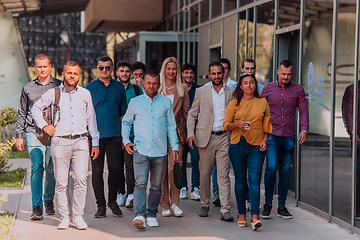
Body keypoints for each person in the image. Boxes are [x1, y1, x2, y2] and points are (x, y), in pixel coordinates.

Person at [31, 61, 100, 230]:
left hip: (81, 141)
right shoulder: (53, 93)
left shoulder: (85, 94)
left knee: (81, 179)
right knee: (61, 182)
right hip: (59, 141)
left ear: (79, 75)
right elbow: (35, 109)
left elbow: (92, 119)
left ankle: (78, 216)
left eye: (75, 74)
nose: (72, 76)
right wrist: (44, 125)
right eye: (69, 73)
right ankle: (64, 217)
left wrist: (95, 142)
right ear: (63, 74)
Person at [122, 70, 179, 229]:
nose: (151, 86)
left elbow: (171, 126)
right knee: (140, 183)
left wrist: (174, 146)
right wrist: (126, 141)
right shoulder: (135, 101)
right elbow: (126, 123)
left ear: (159, 84)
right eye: (149, 83)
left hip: (160, 152)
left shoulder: (165, 102)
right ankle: (139, 214)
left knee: (156, 186)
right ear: (143, 84)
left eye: (154, 83)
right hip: (141, 149)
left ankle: (152, 214)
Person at [260, 60, 309, 219]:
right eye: (283, 74)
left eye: (289, 74)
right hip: (272, 136)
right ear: (277, 72)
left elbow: (303, 109)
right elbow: (259, 110)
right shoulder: (267, 88)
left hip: (289, 136)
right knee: (271, 168)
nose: (286, 77)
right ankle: (267, 204)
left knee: (285, 171)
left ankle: (281, 206)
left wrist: (304, 129)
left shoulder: (298, 89)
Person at [15, 54, 61, 220]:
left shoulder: (59, 85)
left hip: (52, 133)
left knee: (50, 168)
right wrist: (19, 135)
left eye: (45, 66)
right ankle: (36, 206)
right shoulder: (28, 87)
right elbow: (22, 112)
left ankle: (48, 200)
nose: (42, 69)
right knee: (37, 167)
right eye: (39, 66)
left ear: (50, 67)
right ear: (35, 67)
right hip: (33, 132)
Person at [224, 73, 272, 230]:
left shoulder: (262, 102)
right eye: (246, 83)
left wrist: (265, 140)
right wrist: (237, 124)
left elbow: (267, 124)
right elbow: (226, 125)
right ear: (240, 86)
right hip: (237, 145)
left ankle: (255, 215)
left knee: (254, 180)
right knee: (240, 180)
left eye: (252, 82)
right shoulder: (234, 103)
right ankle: (241, 214)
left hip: (257, 147)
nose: (249, 85)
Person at [187, 61, 234, 222]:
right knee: (205, 173)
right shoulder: (201, 91)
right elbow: (192, 115)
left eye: (219, 73)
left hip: (225, 138)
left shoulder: (232, 92)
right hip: (205, 137)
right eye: (213, 73)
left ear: (223, 73)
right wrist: (190, 134)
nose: (216, 76)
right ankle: (205, 204)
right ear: (209, 74)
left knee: (223, 174)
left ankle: (225, 209)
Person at [86, 56, 127, 218]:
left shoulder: (119, 87)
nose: (104, 70)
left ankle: (112, 201)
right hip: (95, 137)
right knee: (96, 171)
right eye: (101, 67)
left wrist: (124, 136)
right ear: (97, 68)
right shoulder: (89, 88)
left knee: (116, 169)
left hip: (115, 134)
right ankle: (101, 206)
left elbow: (123, 113)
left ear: (112, 69)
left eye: (107, 68)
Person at [159, 57, 190, 217]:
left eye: (174, 69)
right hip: (158, 134)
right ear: (164, 69)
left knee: (174, 167)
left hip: (176, 134)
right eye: (168, 68)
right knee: (161, 170)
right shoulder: (158, 88)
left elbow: (187, 113)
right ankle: (163, 204)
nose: (171, 71)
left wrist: (185, 130)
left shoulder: (182, 88)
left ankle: (175, 203)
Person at [116, 60, 143, 208]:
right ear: (117, 73)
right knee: (117, 165)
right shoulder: (114, 88)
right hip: (116, 132)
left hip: (133, 133)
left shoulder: (137, 90)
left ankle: (130, 194)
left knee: (130, 165)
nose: (124, 74)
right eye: (122, 71)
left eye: (127, 71)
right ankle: (121, 192)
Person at [179, 63, 201, 201]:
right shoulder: (177, 89)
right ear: (182, 74)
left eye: (191, 73)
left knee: (195, 159)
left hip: (195, 130)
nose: (189, 75)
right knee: (181, 160)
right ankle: (183, 187)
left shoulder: (199, 90)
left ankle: (195, 188)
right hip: (180, 130)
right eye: (186, 72)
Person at [341, 80, 360, 218]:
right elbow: (348, 112)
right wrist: (352, 132)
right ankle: (358, 208)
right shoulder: (353, 90)